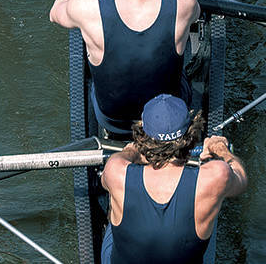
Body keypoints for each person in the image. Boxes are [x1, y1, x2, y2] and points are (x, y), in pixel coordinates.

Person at [49, 0, 200, 138]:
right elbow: (195, 15)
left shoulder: (86, 6)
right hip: (169, 116)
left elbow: (55, 12)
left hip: (114, 120)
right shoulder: (185, 2)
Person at [101, 93, 247, 263]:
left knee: (116, 197)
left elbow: (118, 165)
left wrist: (133, 151)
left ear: (142, 134)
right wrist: (220, 149)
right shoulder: (216, 175)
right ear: (191, 134)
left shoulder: (116, 170)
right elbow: (241, 177)